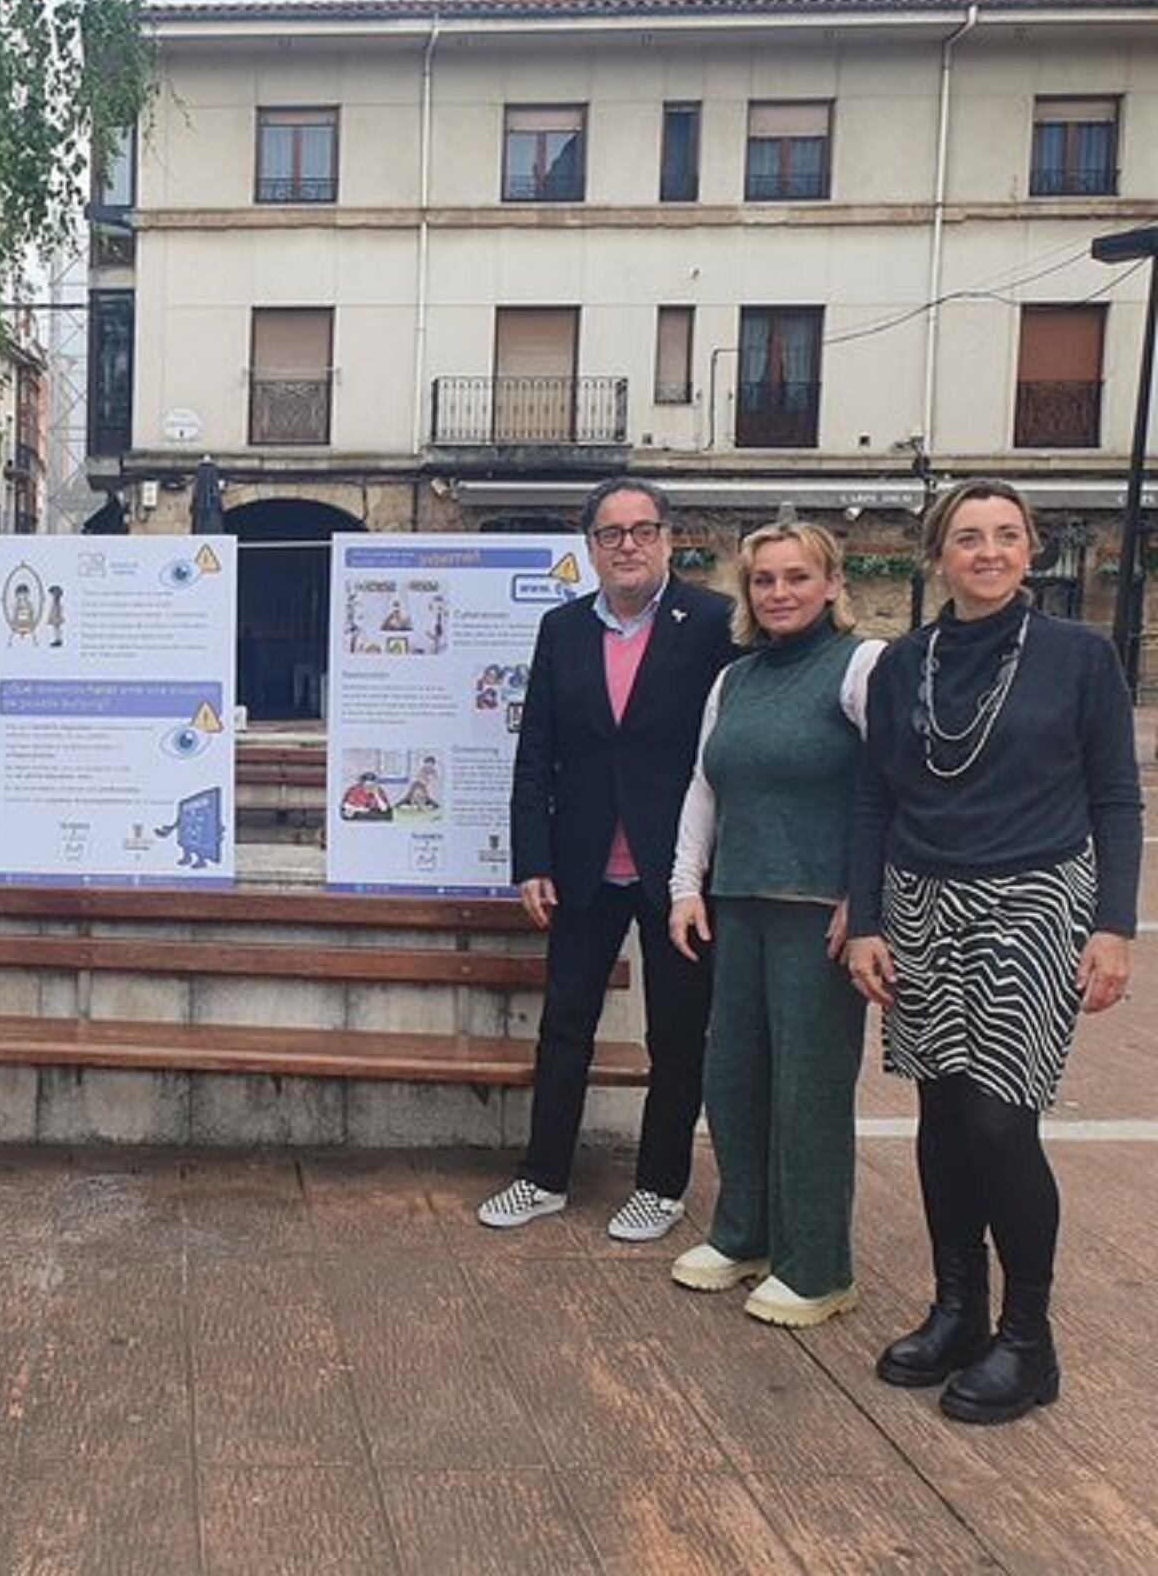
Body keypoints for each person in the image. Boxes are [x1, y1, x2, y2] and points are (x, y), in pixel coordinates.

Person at [845, 479, 1139, 1424]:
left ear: (1030, 550)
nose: (988, 551)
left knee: (1002, 1120)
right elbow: (875, 797)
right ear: (938, 556)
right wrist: (867, 921)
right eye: (968, 537)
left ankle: (1028, 1337)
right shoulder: (904, 665)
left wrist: (1115, 925)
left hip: (1035, 896)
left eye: (1007, 536)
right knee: (940, 1111)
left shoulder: (1079, 658)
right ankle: (958, 1309)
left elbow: (1116, 798)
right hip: (922, 894)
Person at [478, 477, 736, 1239]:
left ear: (667, 537)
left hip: (681, 871)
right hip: (583, 864)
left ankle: (660, 1185)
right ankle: (543, 1175)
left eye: (642, 530)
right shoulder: (562, 629)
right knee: (564, 1025)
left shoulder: (715, 622)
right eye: (611, 533)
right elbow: (537, 753)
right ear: (588, 547)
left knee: (678, 1035)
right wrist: (532, 857)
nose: (628, 545)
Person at [666, 522, 885, 1326]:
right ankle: (745, 1232)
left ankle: (819, 1266)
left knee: (809, 1090)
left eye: (797, 577)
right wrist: (685, 885)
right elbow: (705, 784)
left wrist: (867, 899)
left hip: (818, 916)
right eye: (764, 580)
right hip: (740, 904)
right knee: (734, 1079)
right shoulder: (739, 678)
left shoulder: (863, 665)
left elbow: (891, 787)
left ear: (832, 584)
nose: (780, 593)